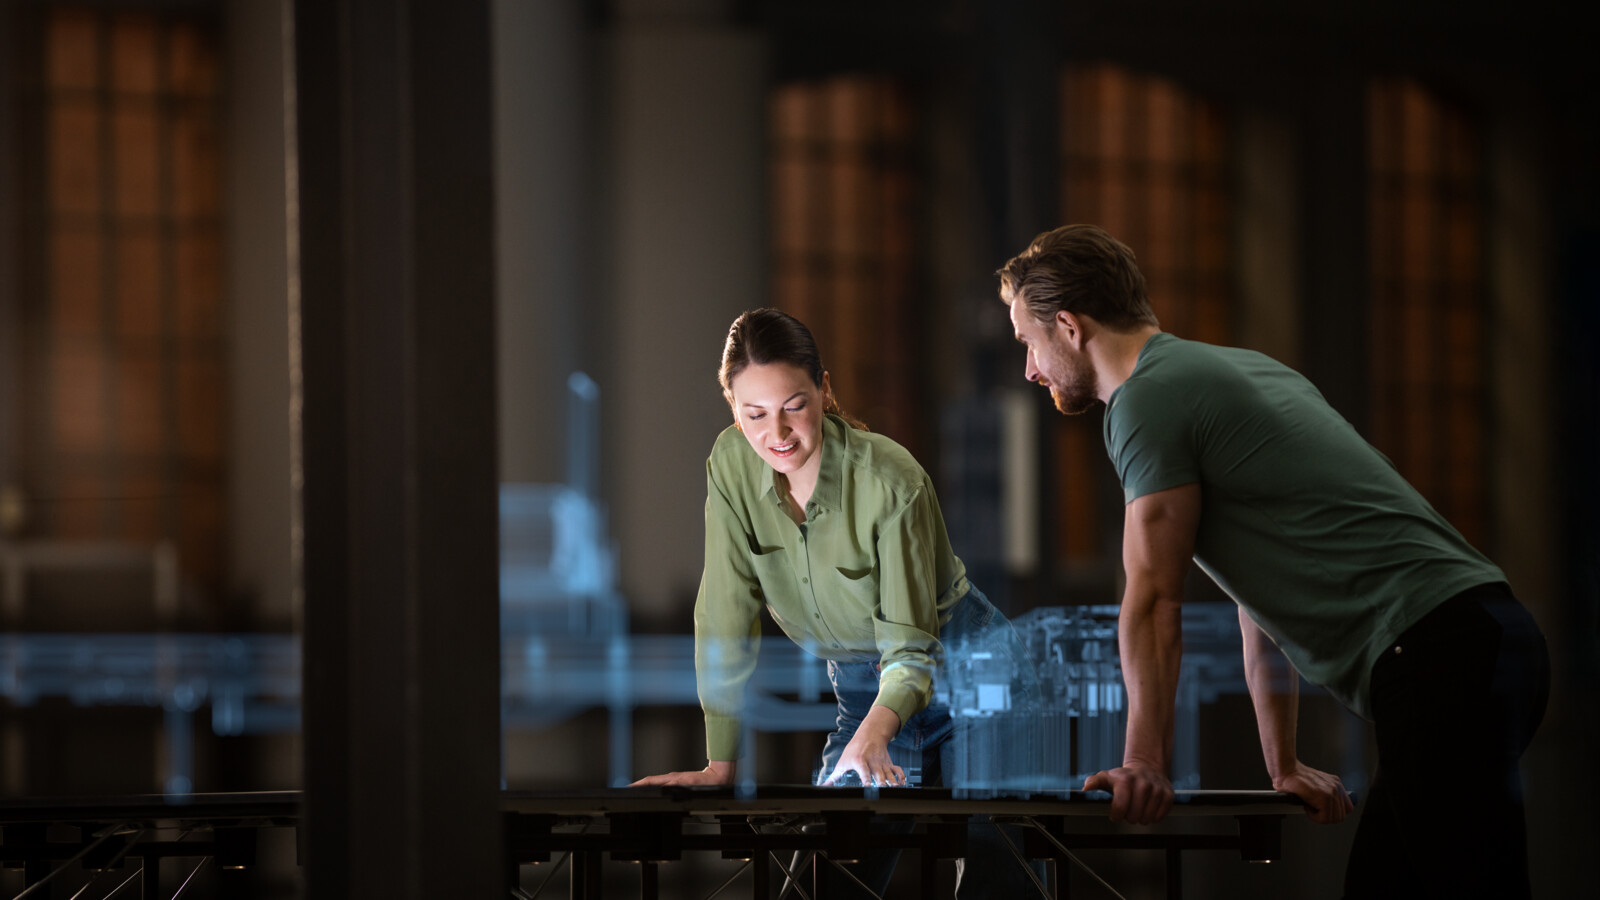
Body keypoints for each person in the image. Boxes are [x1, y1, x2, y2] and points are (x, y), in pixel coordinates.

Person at [995, 224, 1550, 899]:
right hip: (1487, 640)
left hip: (1440, 656)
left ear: (1070, 328)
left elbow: (1152, 598)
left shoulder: (1144, 401)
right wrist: (1281, 762)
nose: (1029, 370)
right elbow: (1259, 594)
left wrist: (1142, 761)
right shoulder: (1237, 366)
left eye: (1028, 341)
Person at [633, 308, 1043, 898]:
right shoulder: (730, 464)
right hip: (862, 685)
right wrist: (720, 761)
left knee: (995, 879)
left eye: (794, 406)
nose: (777, 434)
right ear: (733, 410)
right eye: (754, 414)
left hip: (983, 680)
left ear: (824, 390)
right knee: (827, 877)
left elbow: (910, 643)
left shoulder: (891, 479)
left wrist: (877, 729)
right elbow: (725, 611)